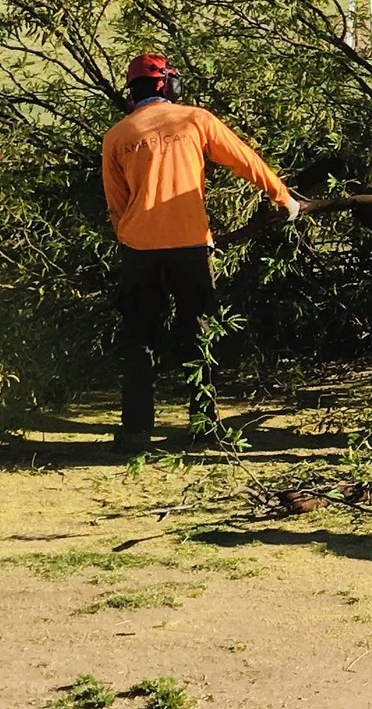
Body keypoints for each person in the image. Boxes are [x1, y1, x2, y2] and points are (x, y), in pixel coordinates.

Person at [100, 53, 301, 453]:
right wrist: (282, 196)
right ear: (164, 85)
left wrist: (132, 237)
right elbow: (245, 160)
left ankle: (137, 430)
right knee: (200, 334)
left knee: (140, 339)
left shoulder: (118, 136)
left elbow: (116, 205)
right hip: (191, 246)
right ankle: (204, 423)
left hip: (139, 250)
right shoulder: (195, 119)